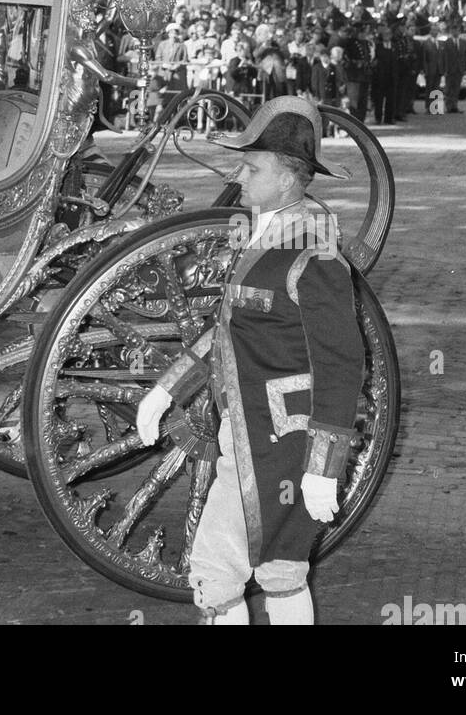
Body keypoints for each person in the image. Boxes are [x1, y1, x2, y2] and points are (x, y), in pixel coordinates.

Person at [135, 96, 366, 624]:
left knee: (216, 574)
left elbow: (341, 363)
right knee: (281, 572)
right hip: (250, 437)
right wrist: (167, 388)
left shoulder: (314, 252)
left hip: (279, 447)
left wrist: (324, 468)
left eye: (252, 166)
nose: (239, 176)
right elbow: (228, 333)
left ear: (289, 179)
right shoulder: (265, 233)